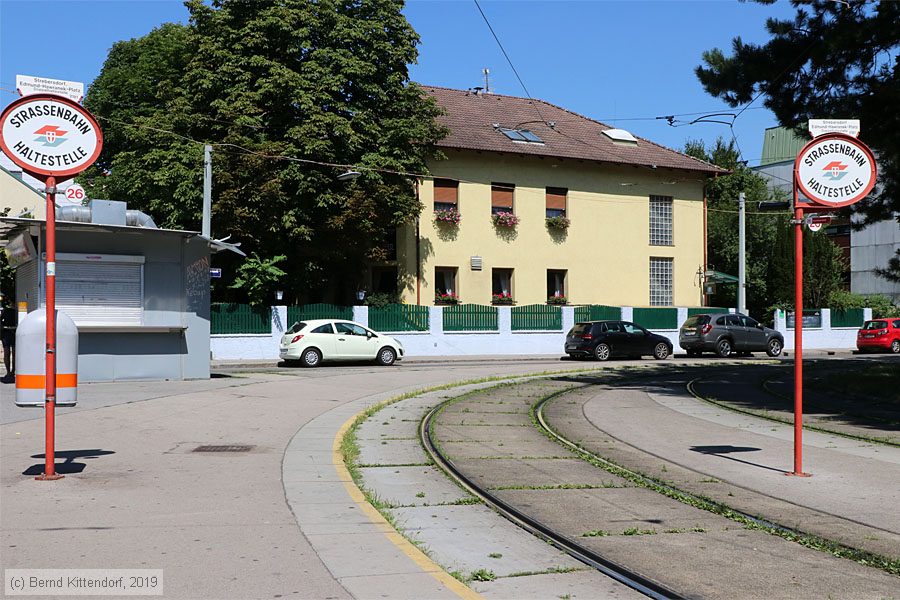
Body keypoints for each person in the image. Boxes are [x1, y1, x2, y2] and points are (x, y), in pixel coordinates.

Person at [1, 295, 16, 381]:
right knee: (9, 353)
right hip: (8, 333)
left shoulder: (11, 311)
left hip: (10, 333)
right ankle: (10, 371)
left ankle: (11, 371)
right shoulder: (6, 311)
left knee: (11, 353)